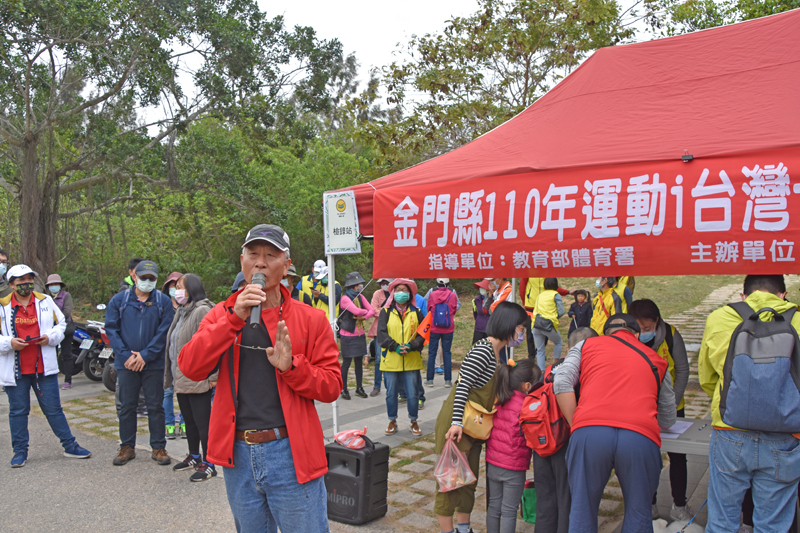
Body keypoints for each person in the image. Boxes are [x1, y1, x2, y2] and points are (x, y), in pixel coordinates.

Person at [179, 224, 342, 532]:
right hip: (238, 453)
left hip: (291, 453)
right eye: (253, 254)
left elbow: (332, 385)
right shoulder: (221, 314)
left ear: (287, 264)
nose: (261, 262)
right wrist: (232, 321)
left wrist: (291, 367)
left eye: (271, 254)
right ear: (242, 261)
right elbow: (190, 367)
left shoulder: (311, 320)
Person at [554, 314, 675, 533]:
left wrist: (577, 423)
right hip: (639, 437)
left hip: (590, 432)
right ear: (637, 335)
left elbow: (561, 380)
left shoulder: (586, 345)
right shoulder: (655, 359)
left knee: (582, 509)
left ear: (606, 332)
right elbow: (668, 417)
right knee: (640, 512)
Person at [698, 275, 800, 532]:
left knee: (722, 520)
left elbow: (707, 378)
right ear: (783, 295)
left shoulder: (719, 318)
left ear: (743, 295)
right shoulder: (797, 319)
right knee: (773, 523)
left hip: (730, 431)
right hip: (785, 435)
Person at [434, 301, 528, 533]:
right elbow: (463, 385)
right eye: (521, 328)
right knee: (450, 483)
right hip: (456, 424)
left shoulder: (499, 351)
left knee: (469, 480)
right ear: (509, 326)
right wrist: (456, 423)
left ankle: (464, 529)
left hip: (474, 428)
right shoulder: (483, 349)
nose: (522, 334)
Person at [0, 264, 91, 467]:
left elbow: (61, 324)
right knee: (18, 411)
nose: (26, 284)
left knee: (53, 409)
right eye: (21, 280)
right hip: (16, 369)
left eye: (29, 279)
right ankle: (20, 452)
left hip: (43, 367)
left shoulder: (45, 301)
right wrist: (9, 343)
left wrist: (50, 337)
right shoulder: (2, 305)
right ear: (12, 284)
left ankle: (70, 446)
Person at [105, 259, 175, 466]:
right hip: (125, 363)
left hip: (152, 363)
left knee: (155, 405)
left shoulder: (163, 302)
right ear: (134, 276)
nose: (147, 281)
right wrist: (126, 356)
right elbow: (112, 330)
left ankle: (158, 447)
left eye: (151, 278)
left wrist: (145, 355)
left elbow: (164, 333)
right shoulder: (119, 301)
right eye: (143, 277)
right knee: (127, 405)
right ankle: (127, 446)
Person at [628, 298, 691, 521]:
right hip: (642, 410)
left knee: (677, 457)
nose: (642, 333)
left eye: (647, 328)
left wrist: (671, 405)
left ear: (657, 322)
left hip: (673, 407)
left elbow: (682, 371)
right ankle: (650, 504)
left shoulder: (672, 336)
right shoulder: (628, 339)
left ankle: (680, 505)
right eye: (638, 328)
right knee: (647, 457)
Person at [535, 327, 597, 533]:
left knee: (545, 498)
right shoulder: (584, 371)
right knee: (567, 499)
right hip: (566, 441)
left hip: (542, 440)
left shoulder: (551, 368)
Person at [164, 273, 217, 482]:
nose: (177, 290)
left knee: (203, 423)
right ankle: (194, 456)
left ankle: (210, 463)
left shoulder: (202, 310)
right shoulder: (183, 311)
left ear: (192, 288)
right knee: (190, 422)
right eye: (176, 286)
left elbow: (212, 345)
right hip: (182, 377)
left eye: (180, 286)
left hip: (199, 378)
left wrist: (213, 376)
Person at [485, 359, 540, 533]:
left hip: (493, 462)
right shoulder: (527, 407)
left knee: (494, 506)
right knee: (509, 510)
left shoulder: (500, 399)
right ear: (527, 386)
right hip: (514, 467)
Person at [377, 278, 425, 436]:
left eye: (404, 290)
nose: (401, 293)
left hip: (411, 359)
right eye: (398, 290)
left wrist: (411, 346)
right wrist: (395, 347)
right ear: (392, 293)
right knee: (391, 393)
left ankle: (413, 421)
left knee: (412, 393)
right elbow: (381, 335)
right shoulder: (386, 312)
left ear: (410, 294)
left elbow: (423, 333)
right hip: (391, 359)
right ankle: (392, 420)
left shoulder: (417, 312)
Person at [339, 271, 376, 400]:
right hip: (347, 334)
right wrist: (365, 313)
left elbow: (372, 310)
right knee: (347, 362)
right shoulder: (345, 298)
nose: (360, 285)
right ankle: (343, 389)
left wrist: (364, 316)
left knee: (359, 362)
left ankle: (359, 388)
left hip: (359, 334)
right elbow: (356, 310)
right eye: (359, 283)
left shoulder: (360, 296)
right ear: (353, 285)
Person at [519, 278, 572, 359]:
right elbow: (522, 288)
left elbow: (553, 286)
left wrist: (567, 292)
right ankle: (531, 355)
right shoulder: (528, 270)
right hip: (531, 305)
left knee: (546, 329)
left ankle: (540, 352)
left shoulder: (546, 269)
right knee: (530, 332)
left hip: (543, 304)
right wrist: (524, 302)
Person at [161, 271, 183, 440]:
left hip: (184, 356)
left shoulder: (189, 307)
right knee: (168, 392)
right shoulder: (162, 306)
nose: (175, 290)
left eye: (178, 286)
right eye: (172, 286)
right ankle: (169, 425)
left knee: (184, 391)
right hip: (166, 355)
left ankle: (184, 423)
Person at [426, 278, 459, 388]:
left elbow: (428, 308)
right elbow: (454, 309)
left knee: (432, 353)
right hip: (448, 328)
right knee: (447, 353)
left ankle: (430, 380)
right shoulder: (452, 295)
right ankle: (448, 381)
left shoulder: (432, 294)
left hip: (434, 328)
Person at [46, 274, 76, 390]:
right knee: (50, 354)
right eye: (51, 284)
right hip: (50, 329)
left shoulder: (66, 296)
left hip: (65, 328)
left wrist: (54, 317)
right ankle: (50, 379)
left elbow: (66, 312)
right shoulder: (46, 298)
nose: (54, 286)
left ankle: (68, 380)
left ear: (60, 285)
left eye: (56, 284)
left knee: (66, 354)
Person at [531, 278, 565, 370]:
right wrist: (556, 317)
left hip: (536, 324)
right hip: (548, 325)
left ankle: (541, 371)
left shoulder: (540, 295)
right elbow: (561, 312)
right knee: (558, 342)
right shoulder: (555, 295)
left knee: (540, 350)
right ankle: (555, 365)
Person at [367, 278, 392, 397]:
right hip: (378, 330)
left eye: (387, 283)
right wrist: (384, 313)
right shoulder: (377, 294)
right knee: (378, 359)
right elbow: (373, 309)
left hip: (392, 330)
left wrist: (382, 311)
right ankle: (377, 386)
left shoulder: (395, 293)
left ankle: (391, 386)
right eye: (383, 283)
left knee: (390, 358)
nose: (385, 285)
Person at [472, 280, 491, 344]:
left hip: (490, 329)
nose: (481, 289)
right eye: (480, 288)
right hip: (479, 328)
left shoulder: (494, 299)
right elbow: (475, 313)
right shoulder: (476, 300)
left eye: (483, 288)